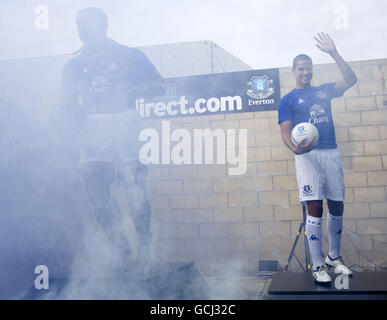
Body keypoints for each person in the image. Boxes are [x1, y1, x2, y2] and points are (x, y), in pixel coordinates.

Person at [61, 7, 163, 269]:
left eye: (86, 23)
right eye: (78, 24)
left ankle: (143, 246)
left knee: (134, 190)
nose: (81, 28)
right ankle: (120, 245)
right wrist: (74, 123)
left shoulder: (129, 55)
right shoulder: (73, 65)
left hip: (125, 122)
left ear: (103, 26)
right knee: (95, 190)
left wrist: (130, 88)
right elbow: (66, 104)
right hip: (93, 127)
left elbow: (159, 86)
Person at [278, 32, 357, 283]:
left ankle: (334, 257)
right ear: (294, 70)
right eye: (301, 69)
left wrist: (333, 52)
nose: (305, 72)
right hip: (307, 156)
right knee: (314, 208)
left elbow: (350, 79)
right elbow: (284, 129)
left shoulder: (324, 91)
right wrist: (294, 148)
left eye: (308, 68)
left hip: (330, 152)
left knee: (337, 205)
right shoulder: (288, 99)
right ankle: (318, 265)